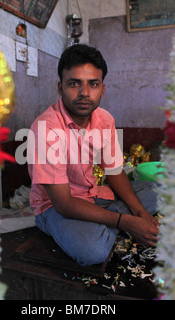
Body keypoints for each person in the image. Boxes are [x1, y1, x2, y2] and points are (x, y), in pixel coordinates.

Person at [26, 44, 160, 266]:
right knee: (93, 252)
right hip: (55, 208)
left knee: (161, 190)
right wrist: (126, 222)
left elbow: (115, 171)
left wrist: (140, 212)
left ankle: (103, 222)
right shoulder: (45, 129)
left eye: (93, 84)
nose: (84, 93)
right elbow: (64, 203)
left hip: (95, 195)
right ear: (60, 88)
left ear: (103, 89)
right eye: (74, 83)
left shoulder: (105, 119)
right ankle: (105, 224)